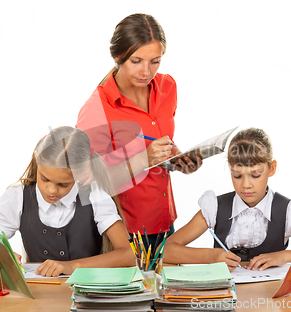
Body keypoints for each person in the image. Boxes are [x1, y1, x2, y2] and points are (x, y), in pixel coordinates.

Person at [76, 13, 202, 246]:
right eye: (137, 61)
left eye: (155, 61)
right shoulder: (96, 109)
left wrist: (176, 158)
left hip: (165, 221)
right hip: (123, 232)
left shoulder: (167, 87)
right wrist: (143, 158)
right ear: (117, 56)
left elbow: (160, 141)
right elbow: (88, 187)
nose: (146, 71)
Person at [164, 127, 291, 271]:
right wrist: (210, 256)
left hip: (270, 298)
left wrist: (285, 256)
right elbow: (165, 251)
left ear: (271, 168)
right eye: (237, 175)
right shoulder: (215, 207)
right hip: (225, 297)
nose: (246, 185)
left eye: (255, 175)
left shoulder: (288, 210)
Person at [0, 126, 134, 277]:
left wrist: (72, 266)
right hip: (37, 296)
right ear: (37, 158)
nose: (51, 190)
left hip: (86, 294)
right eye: (44, 179)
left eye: (63, 184)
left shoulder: (95, 196)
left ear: (82, 170)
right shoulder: (18, 197)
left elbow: (129, 254)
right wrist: (0, 252)